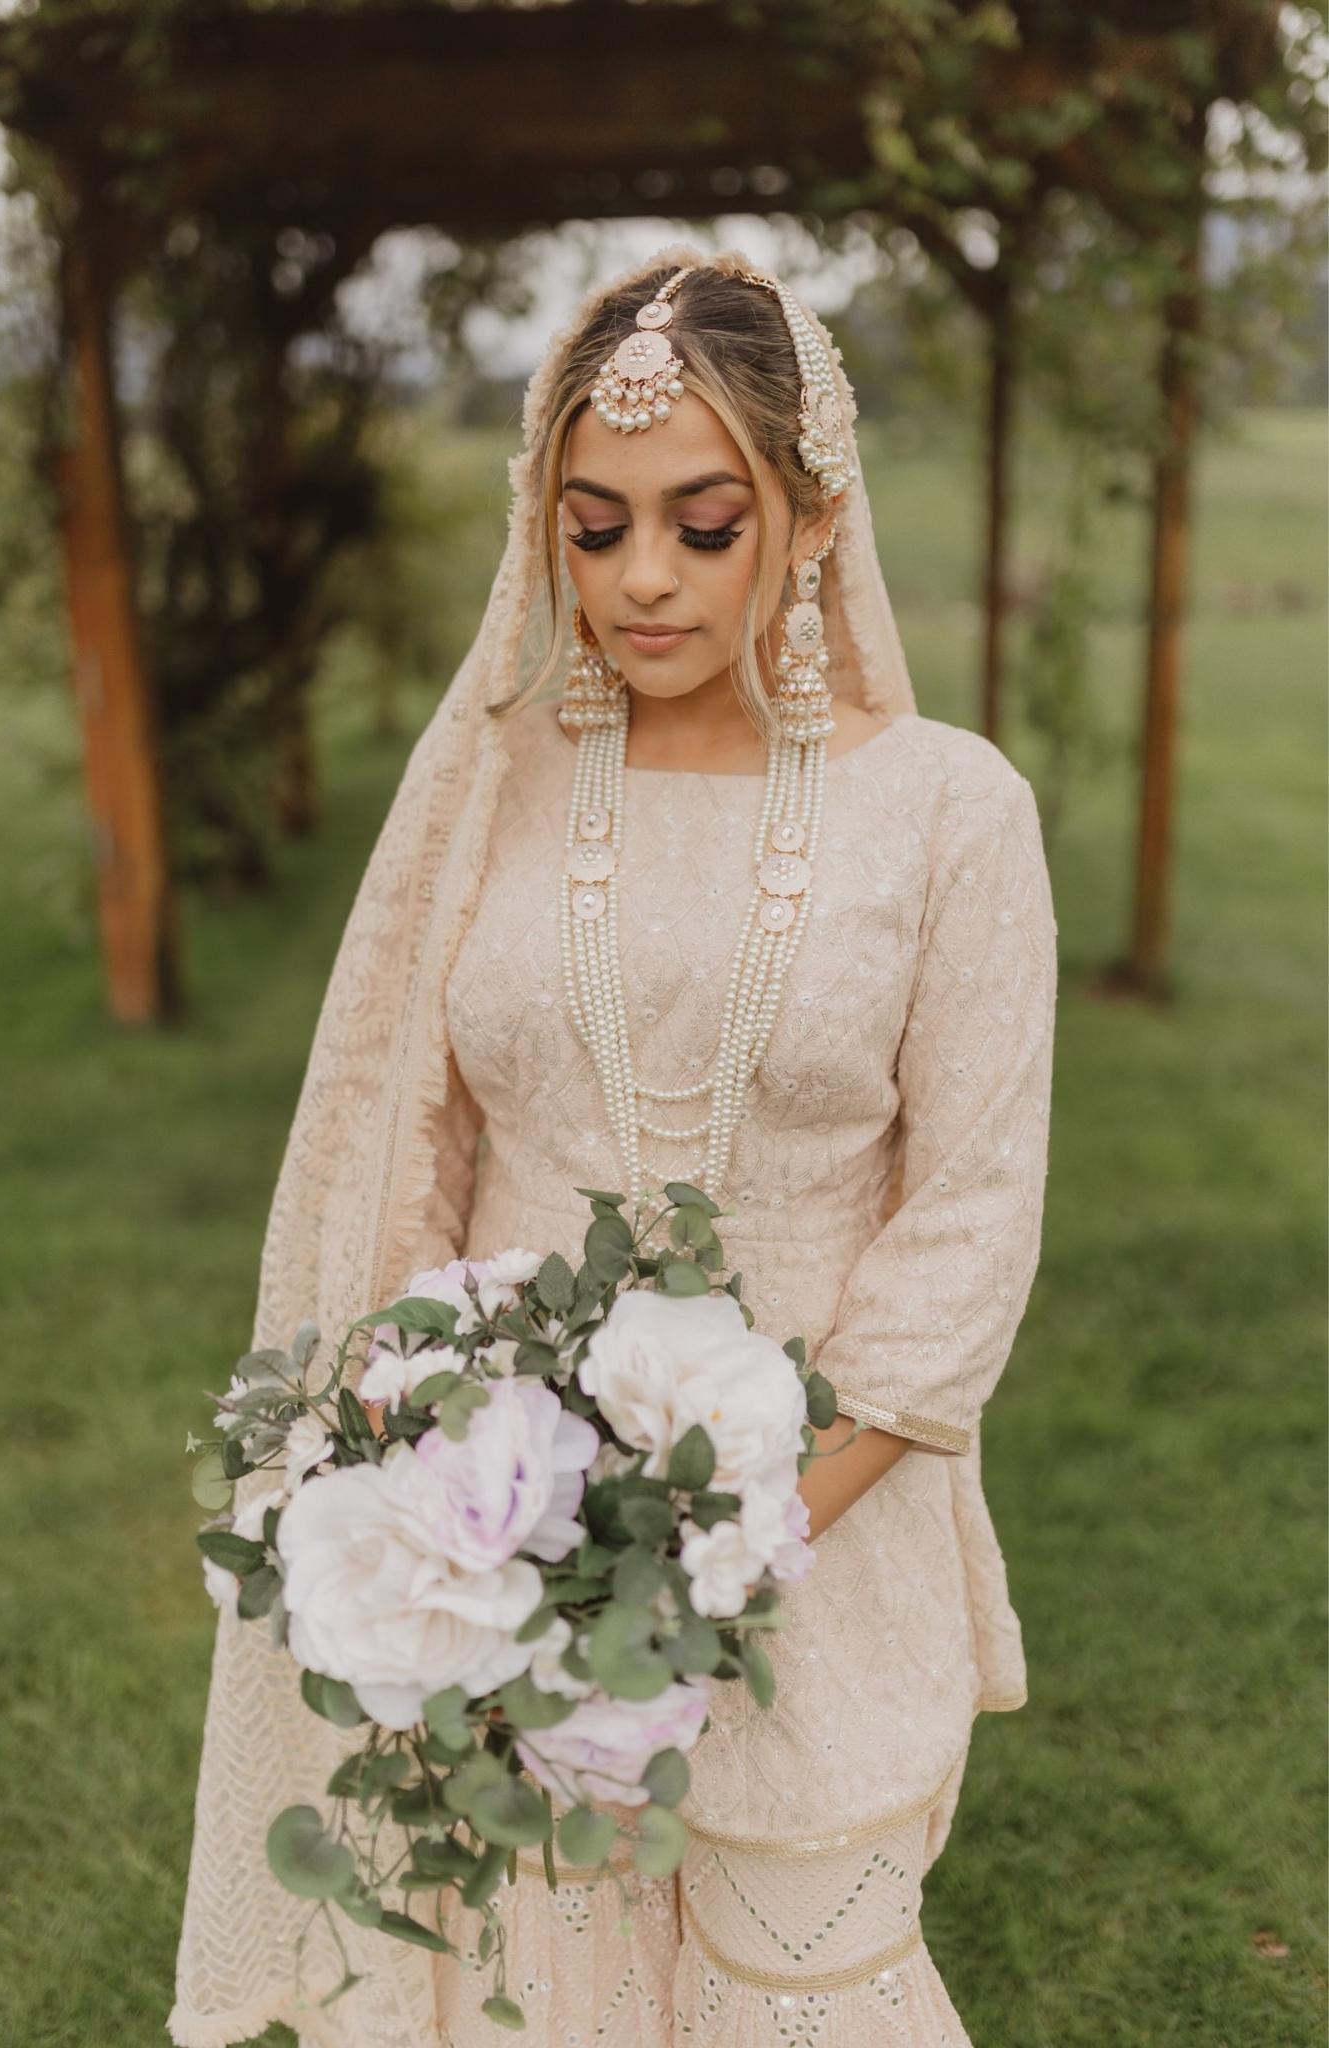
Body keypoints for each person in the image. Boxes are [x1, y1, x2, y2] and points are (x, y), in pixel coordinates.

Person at [169, 244, 1058, 2048]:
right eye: (594, 528)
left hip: (822, 1543)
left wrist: (703, 1560)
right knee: (522, 1996)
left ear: (810, 521)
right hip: (494, 1549)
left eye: (704, 523)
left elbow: (963, 1230)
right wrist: (431, 1521)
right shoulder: (491, 791)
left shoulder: (946, 811)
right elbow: (399, 1156)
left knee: (800, 1991)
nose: (641, 578)